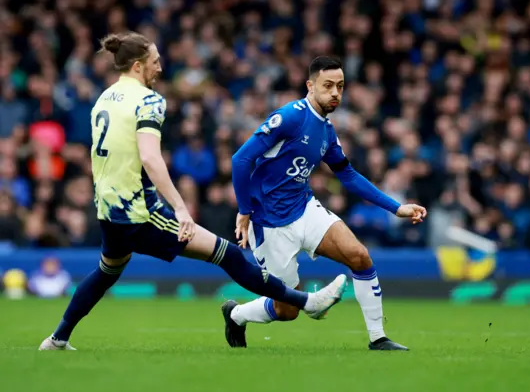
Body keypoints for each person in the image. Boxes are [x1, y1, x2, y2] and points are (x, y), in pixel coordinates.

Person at [38, 34, 347, 351]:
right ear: (137, 65)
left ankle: (57, 338)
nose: (160, 67)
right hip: (140, 212)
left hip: (109, 208)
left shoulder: (105, 98)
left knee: (107, 271)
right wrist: (181, 209)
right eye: (155, 61)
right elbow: (149, 157)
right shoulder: (149, 100)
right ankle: (307, 301)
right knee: (227, 253)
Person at [228, 56, 427, 351]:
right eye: (328, 86)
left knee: (359, 256)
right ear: (310, 86)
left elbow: (347, 174)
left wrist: (395, 207)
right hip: (269, 222)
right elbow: (240, 159)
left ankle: (378, 338)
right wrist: (244, 210)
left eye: (341, 86)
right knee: (288, 310)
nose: (335, 93)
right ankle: (236, 314)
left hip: (304, 207)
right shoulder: (291, 116)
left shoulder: (326, 130)